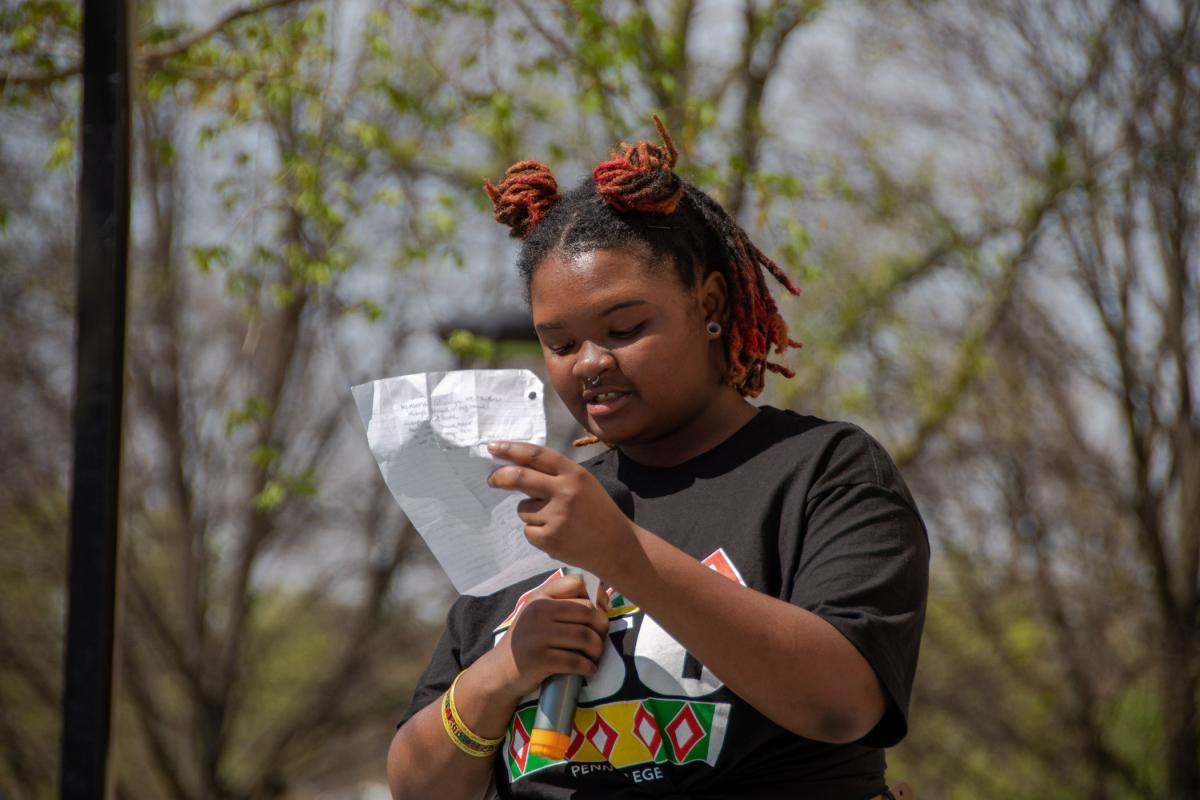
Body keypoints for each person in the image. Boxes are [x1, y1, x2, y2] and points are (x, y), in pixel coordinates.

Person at [386, 117, 929, 800]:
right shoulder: (535, 511)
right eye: (559, 344)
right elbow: (417, 786)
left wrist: (621, 554)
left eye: (624, 328)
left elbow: (844, 703)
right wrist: (501, 674)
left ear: (709, 304)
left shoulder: (822, 471)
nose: (590, 363)